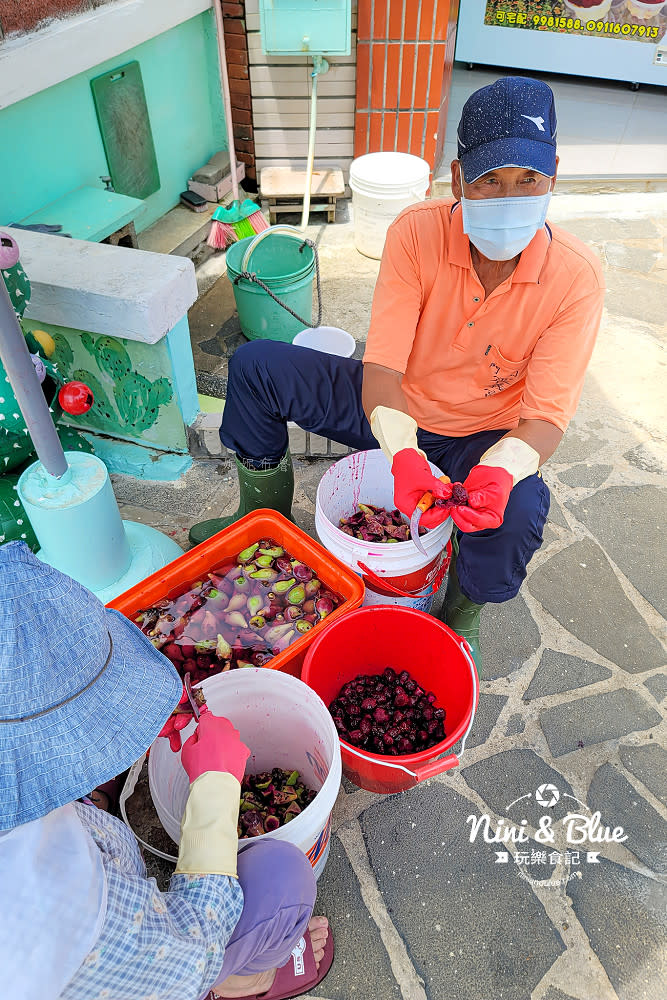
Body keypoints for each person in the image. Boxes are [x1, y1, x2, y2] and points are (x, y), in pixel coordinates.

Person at [189, 76, 605, 672]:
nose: (509, 197)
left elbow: (545, 416)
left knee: (519, 508)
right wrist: (404, 455)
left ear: (554, 175)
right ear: (458, 178)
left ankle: (463, 610)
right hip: (392, 413)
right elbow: (381, 367)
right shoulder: (416, 231)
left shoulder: (577, 277)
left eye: (528, 180)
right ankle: (264, 515)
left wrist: (503, 467)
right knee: (257, 367)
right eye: (489, 181)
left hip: (480, 437)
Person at [0, 541, 333, 1000]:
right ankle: (243, 984)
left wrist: (130, 722)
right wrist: (215, 786)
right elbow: (194, 945)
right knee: (282, 875)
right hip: (154, 976)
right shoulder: (56, 913)